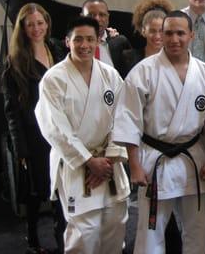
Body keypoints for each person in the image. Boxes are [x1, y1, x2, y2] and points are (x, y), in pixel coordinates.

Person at [113, 10, 205, 254]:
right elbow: (129, 120)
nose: (174, 39)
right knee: (151, 230)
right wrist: (134, 165)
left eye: (180, 33)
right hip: (154, 161)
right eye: (168, 33)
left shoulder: (203, 72)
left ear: (191, 35)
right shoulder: (143, 71)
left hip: (193, 159)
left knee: (197, 229)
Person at [35, 16, 130, 253]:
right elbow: (54, 127)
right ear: (68, 42)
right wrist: (89, 161)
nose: (85, 45)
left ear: (98, 41)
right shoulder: (54, 79)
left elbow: (123, 117)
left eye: (90, 39)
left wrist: (108, 159)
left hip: (109, 165)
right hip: (77, 165)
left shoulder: (109, 75)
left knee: (115, 226)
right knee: (83, 233)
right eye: (78, 39)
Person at [2, 3, 66, 254]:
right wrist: (20, 149)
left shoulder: (58, 49)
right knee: (36, 190)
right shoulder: (16, 61)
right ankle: (32, 239)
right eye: (31, 25)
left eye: (41, 23)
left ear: (47, 24)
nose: (37, 28)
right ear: (23, 28)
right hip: (34, 135)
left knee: (60, 186)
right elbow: (12, 111)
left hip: (60, 130)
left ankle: (61, 238)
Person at [81, 0, 133, 77]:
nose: (97, 19)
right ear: (81, 17)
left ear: (108, 18)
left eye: (102, 15)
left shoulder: (119, 43)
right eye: (91, 15)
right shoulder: (71, 45)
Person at [124, 0, 174, 70]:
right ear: (143, 31)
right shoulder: (128, 58)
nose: (157, 36)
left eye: (161, 31)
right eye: (152, 31)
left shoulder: (175, 60)